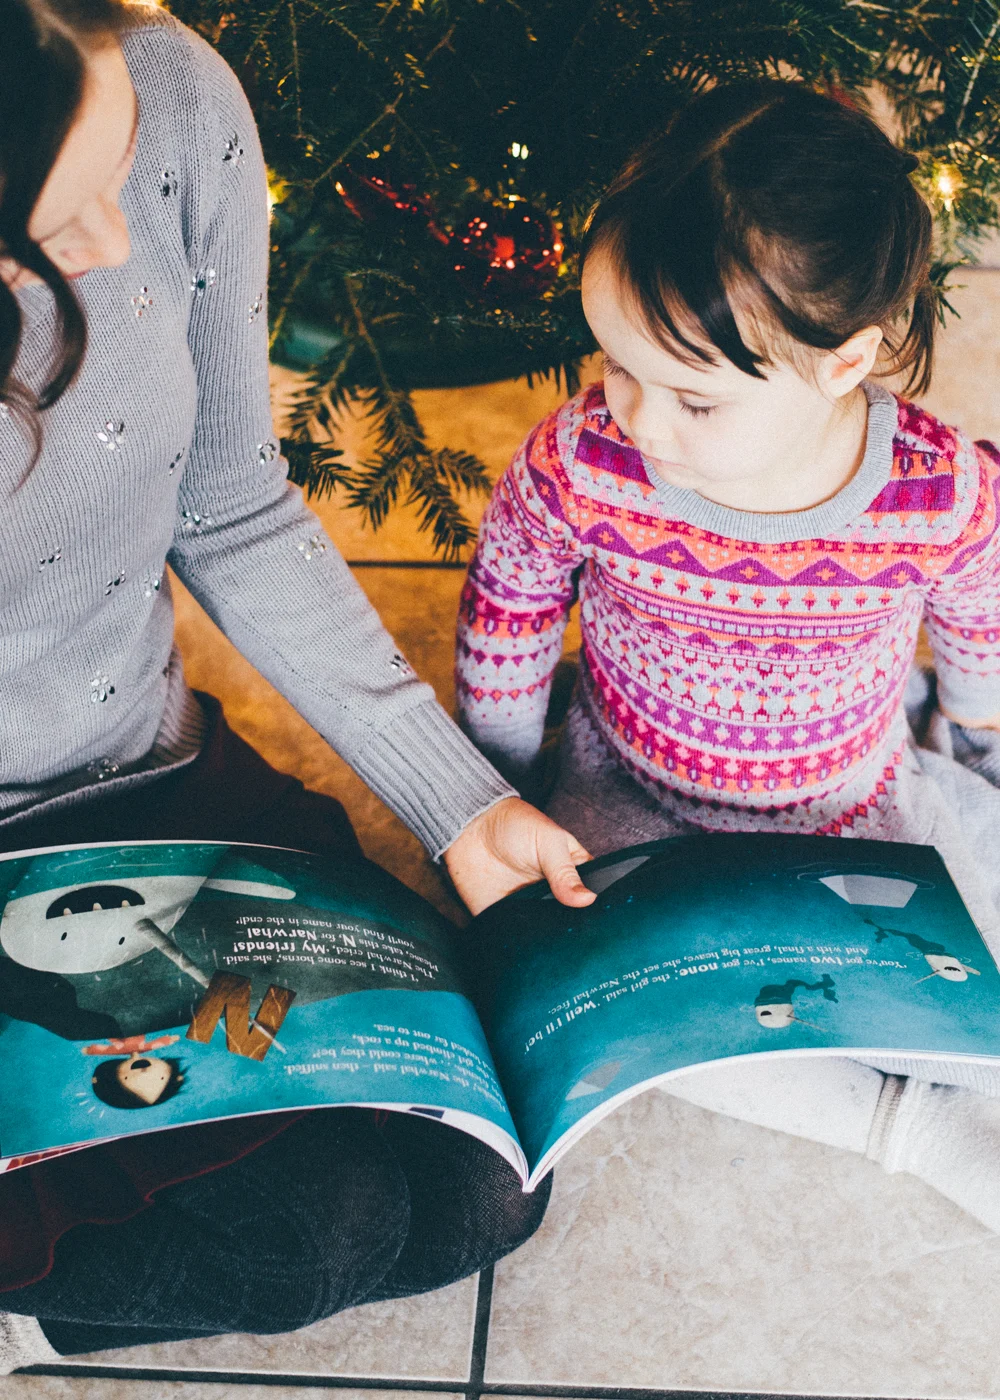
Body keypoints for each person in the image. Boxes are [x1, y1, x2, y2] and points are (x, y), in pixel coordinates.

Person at [0, 0, 600, 1370]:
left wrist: (456, 802)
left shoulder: (176, 96)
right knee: (307, 1234)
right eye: (53, 216)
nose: (104, 251)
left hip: (145, 782)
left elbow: (232, 508)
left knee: (483, 1187)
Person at [456, 81, 1000, 1235]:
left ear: (846, 362)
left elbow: (980, 619)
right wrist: (492, 783)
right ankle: (912, 1125)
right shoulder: (580, 461)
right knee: (617, 1006)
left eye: (692, 398)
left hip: (852, 796)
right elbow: (507, 607)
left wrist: (977, 728)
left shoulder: (942, 491)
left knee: (965, 960)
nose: (638, 420)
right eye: (617, 367)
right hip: (629, 799)